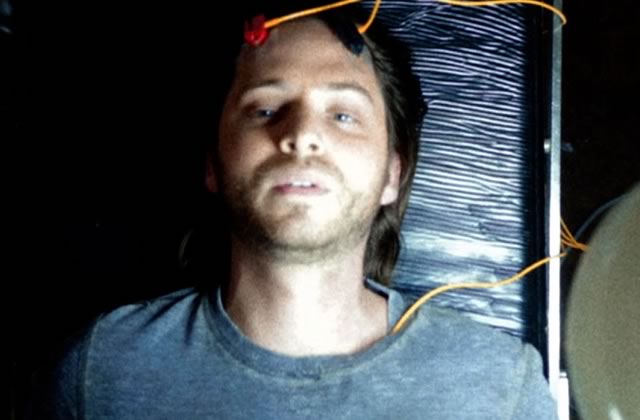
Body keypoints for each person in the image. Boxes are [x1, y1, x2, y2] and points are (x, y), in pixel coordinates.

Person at [28, 3, 558, 419]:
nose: (302, 135)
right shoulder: (101, 371)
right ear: (212, 164)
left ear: (391, 175)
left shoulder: (500, 388)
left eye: (344, 114)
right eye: (265, 109)